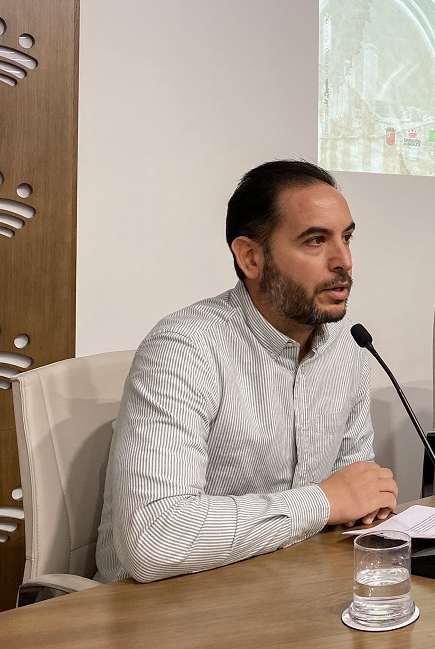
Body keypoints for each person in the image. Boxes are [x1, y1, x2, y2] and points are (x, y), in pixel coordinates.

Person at [95, 160, 398, 583]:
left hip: (287, 588)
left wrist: (366, 502)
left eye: (346, 238)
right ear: (250, 257)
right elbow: (153, 539)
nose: (343, 261)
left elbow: (355, 488)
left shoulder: (347, 347)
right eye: (315, 241)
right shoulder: (186, 348)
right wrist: (325, 502)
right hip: (162, 609)